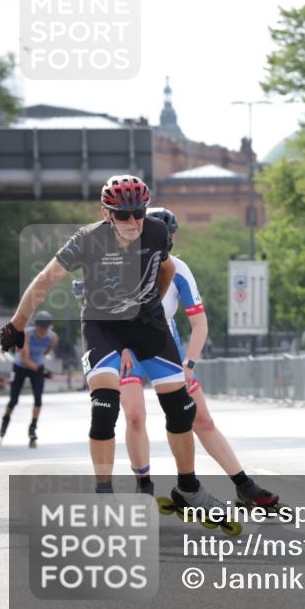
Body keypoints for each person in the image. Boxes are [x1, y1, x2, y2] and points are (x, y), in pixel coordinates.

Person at [0, 175, 224, 516]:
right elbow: (44, 280)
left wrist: (153, 303)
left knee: (181, 408)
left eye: (139, 213)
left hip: (147, 323)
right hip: (104, 326)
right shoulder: (86, 240)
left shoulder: (157, 232)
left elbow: (167, 268)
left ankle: (188, 487)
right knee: (104, 407)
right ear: (107, 213)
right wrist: (17, 324)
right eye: (123, 215)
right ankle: (104, 495)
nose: (133, 222)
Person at [103, 207, 279, 508]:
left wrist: (189, 365)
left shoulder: (179, 269)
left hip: (163, 345)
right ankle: (143, 485)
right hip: (127, 346)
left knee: (202, 419)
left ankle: (244, 486)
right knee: (134, 415)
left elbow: (200, 324)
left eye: (168, 237)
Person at [0, 311, 58, 447]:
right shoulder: (26, 334)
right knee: (14, 400)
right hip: (21, 367)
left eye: (45, 330)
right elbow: (24, 358)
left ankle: (32, 428)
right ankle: (5, 421)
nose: (42, 333)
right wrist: (41, 369)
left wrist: (40, 365)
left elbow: (46, 352)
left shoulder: (53, 338)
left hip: (36, 367)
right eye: (40, 329)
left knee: (38, 400)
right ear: (35, 326)